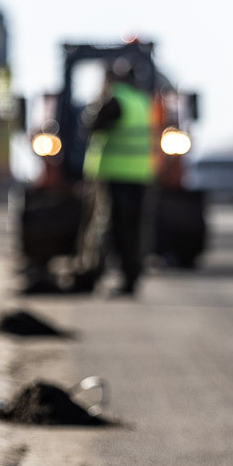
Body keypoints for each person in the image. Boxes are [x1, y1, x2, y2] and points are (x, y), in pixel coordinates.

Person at [73, 59, 155, 296]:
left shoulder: (114, 101)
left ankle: (92, 275)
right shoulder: (142, 102)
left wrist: (96, 101)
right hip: (140, 174)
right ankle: (130, 279)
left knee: (107, 228)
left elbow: (89, 126)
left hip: (115, 175)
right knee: (134, 230)